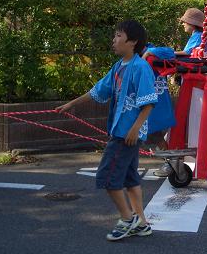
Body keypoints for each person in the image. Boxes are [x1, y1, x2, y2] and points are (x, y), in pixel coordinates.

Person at [57, 20, 157, 241]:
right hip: (122, 131)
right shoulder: (119, 66)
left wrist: (135, 129)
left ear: (132, 42)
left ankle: (127, 218)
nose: (114, 40)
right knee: (130, 178)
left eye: (118, 35)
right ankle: (140, 223)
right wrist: (72, 103)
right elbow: (98, 90)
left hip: (125, 134)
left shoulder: (141, 67)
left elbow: (149, 102)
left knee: (108, 177)